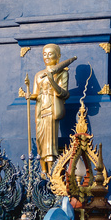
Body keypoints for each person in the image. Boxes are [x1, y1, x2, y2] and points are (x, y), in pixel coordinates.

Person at [30, 44, 76, 173]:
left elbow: (64, 94)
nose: (47, 57)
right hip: (40, 108)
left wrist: (52, 80)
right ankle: (42, 170)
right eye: (44, 54)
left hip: (52, 108)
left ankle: (51, 171)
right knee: (40, 139)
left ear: (58, 56)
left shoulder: (62, 73)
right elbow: (36, 94)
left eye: (50, 54)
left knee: (50, 140)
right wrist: (28, 95)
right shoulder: (38, 75)